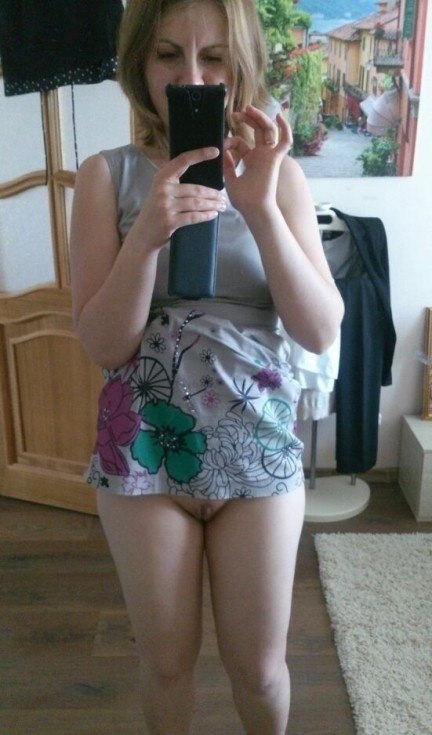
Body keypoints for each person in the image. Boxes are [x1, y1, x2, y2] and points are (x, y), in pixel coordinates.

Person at [70, 1, 344, 733]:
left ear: (240, 66)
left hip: (257, 441)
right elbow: (104, 344)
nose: (190, 77)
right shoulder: (105, 176)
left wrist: (259, 208)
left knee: (260, 668)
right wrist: (146, 236)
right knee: (166, 663)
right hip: (143, 447)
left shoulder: (280, 179)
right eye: (168, 55)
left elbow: (320, 328)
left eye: (214, 58)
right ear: (140, 64)